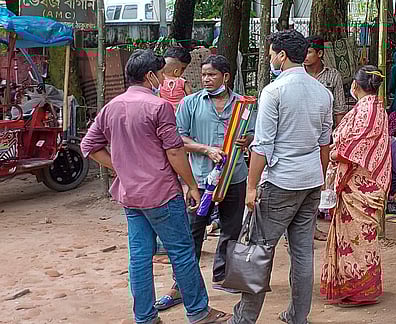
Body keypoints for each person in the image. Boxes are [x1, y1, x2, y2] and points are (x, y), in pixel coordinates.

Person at [80, 50, 229, 324]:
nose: (163, 79)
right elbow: (174, 152)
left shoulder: (112, 106)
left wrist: (120, 167)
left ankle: (145, 317)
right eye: (160, 74)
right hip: (161, 193)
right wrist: (192, 185)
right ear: (150, 76)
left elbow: (88, 146)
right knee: (182, 252)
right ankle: (198, 311)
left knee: (139, 257)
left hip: (131, 195)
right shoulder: (158, 106)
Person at [234, 29, 334, 324]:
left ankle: (244, 318)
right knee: (303, 254)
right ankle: (297, 316)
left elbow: (262, 145)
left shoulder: (274, 91)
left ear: (282, 55)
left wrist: (251, 187)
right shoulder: (322, 92)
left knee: (259, 252)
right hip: (310, 180)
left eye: (271, 54)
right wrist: (320, 176)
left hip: (281, 182)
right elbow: (324, 143)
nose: (270, 59)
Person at [154, 55, 252, 313]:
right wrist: (205, 149)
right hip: (199, 181)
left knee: (231, 229)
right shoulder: (190, 103)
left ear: (226, 77)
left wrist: (248, 140)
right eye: (204, 75)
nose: (207, 79)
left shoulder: (244, 105)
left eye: (213, 75)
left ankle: (224, 275)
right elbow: (177, 140)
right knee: (191, 233)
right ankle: (180, 286)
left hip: (235, 176)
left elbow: (256, 136)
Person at [321, 67, 390, 307]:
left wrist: (333, 153)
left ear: (355, 86)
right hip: (361, 182)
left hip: (359, 182)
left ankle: (358, 288)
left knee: (358, 237)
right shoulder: (375, 107)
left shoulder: (366, 110)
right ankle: (357, 285)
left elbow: (352, 146)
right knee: (359, 236)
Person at [305, 36, 348, 127]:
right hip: (302, 127)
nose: (304, 56)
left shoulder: (333, 75)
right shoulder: (298, 74)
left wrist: (338, 134)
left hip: (325, 128)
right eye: (303, 52)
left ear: (319, 53)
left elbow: (339, 108)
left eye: (308, 52)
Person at [161, 46, 193, 110]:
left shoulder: (158, 80)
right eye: (182, 69)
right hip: (181, 112)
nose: (182, 72)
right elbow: (190, 95)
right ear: (176, 71)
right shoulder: (182, 81)